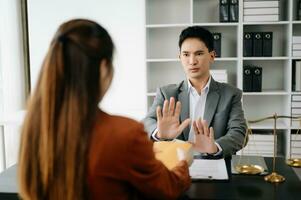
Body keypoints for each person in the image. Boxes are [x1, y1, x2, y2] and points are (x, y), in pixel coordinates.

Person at [18, 19, 190, 200]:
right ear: (103, 68)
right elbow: (168, 187)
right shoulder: (125, 134)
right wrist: (183, 163)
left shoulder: (33, 129)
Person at [143, 26, 247, 158]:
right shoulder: (166, 93)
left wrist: (215, 147)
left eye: (199, 54)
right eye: (186, 54)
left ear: (212, 56)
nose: (192, 61)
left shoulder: (231, 94)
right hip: (175, 162)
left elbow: (239, 133)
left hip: (214, 161)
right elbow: (147, 122)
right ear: (179, 57)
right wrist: (159, 133)